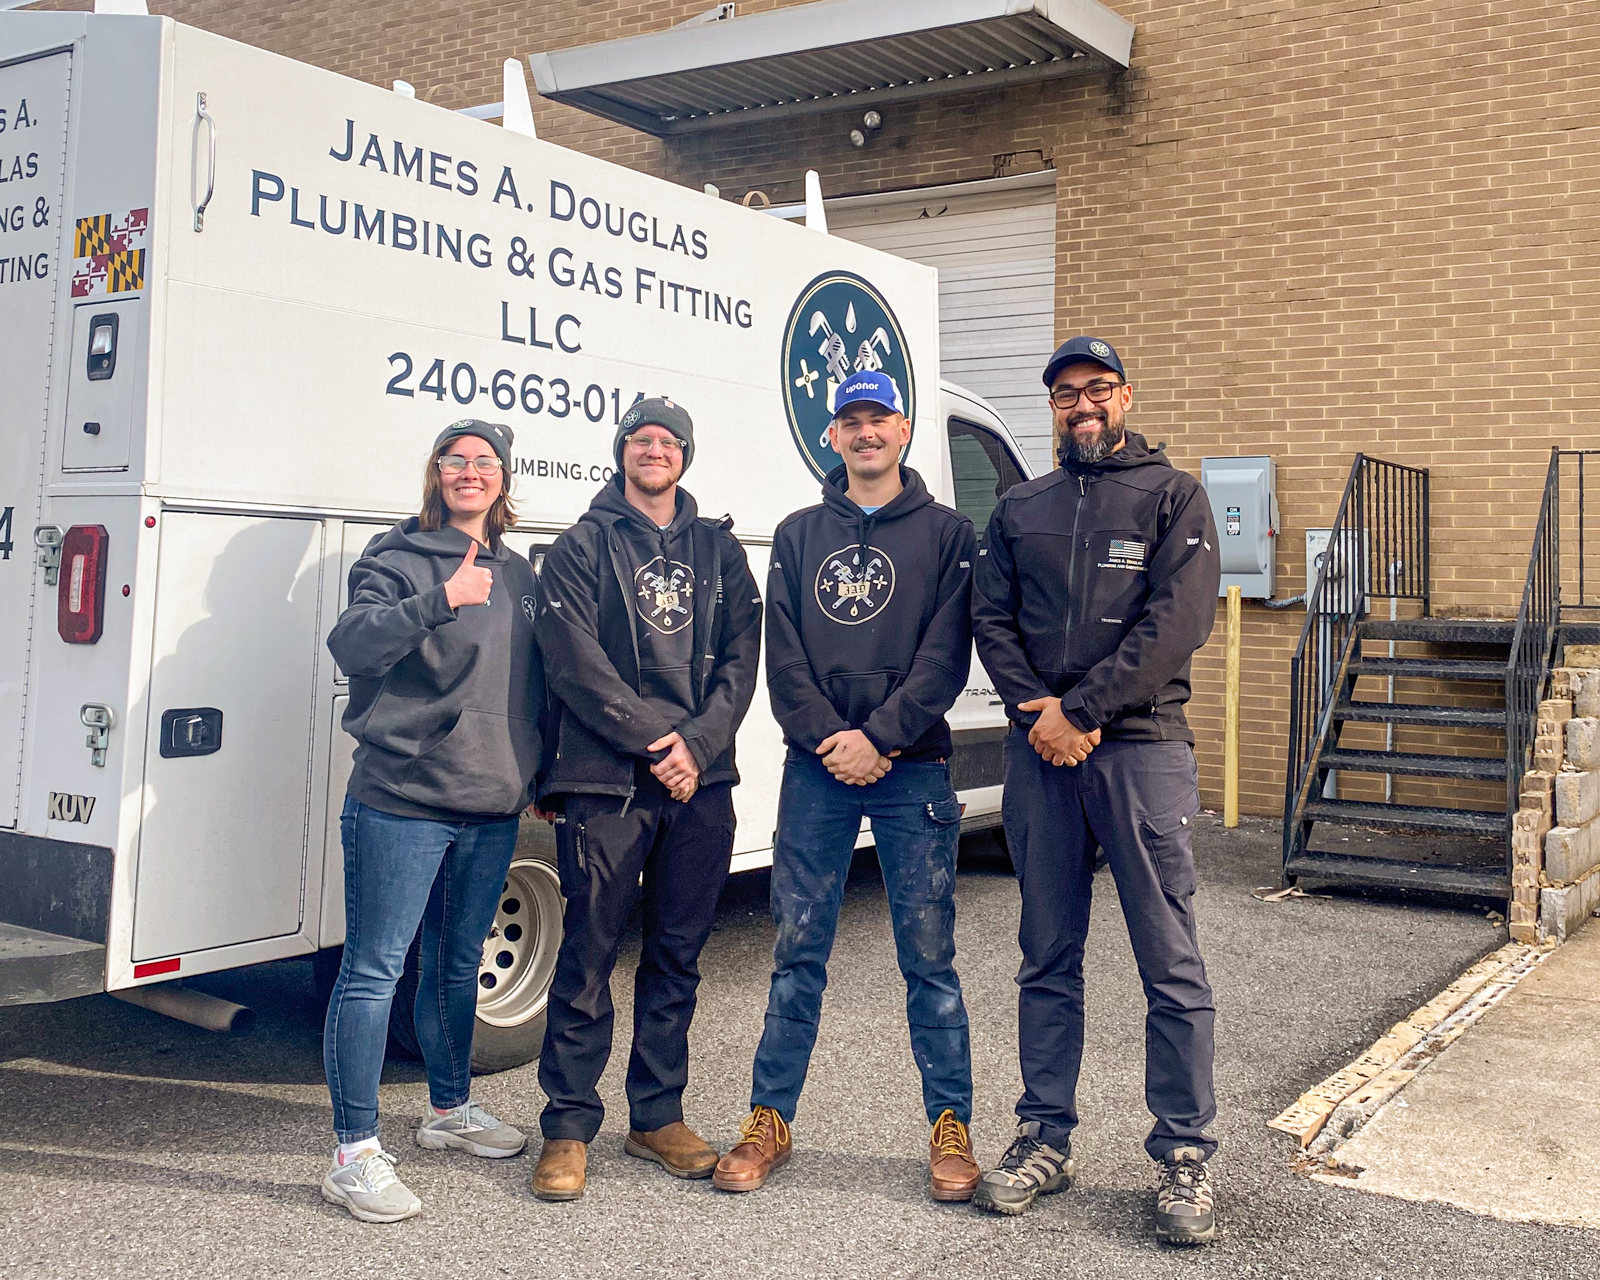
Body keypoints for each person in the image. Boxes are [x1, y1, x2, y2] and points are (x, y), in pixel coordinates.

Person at [970, 337, 1223, 1244]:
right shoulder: (1020, 506)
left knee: (1170, 960)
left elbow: (1177, 622)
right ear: (1053, 409)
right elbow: (989, 619)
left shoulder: (1172, 496)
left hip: (1141, 749)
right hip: (1041, 752)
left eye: (1098, 391)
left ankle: (1185, 1153)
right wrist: (1042, 714)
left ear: (1126, 396)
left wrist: (1082, 710)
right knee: (1046, 955)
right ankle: (1044, 1135)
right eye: (1065, 395)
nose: (1082, 406)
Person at [713, 371, 982, 1202]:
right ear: (833, 436)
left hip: (914, 774)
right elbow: (781, 656)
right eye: (850, 422)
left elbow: (946, 656)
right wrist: (835, 739)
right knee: (798, 954)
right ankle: (769, 1119)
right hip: (818, 772)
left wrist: (881, 737)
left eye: (879, 419)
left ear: (903, 431)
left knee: (928, 959)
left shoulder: (947, 533)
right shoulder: (798, 533)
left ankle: (952, 1126)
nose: (865, 433)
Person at [529, 397, 762, 1201]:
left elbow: (742, 658)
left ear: (685, 457)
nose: (654, 450)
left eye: (668, 442)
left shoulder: (719, 550)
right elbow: (571, 660)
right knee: (588, 955)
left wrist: (696, 746)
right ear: (622, 453)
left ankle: (657, 1116)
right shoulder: (579, 547)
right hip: (606, 782)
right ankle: (566, 1127)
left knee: (676, 958)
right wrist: (656, 742)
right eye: (640, 440)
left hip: (701, 785)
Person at [321, 419, 545, 1224]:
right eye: (458, 459)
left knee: (455, 967)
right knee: (374, 970)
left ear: (503, 479)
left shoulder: (520, 574)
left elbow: (531, 687)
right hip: (403, 799)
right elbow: (352, 644)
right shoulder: (396, 558)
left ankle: (449, 1112)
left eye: (486, 462)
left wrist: (538, 775)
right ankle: (353, 1154)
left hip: (490, 803)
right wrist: (439, 599)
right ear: (437, 473)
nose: (471, 471)